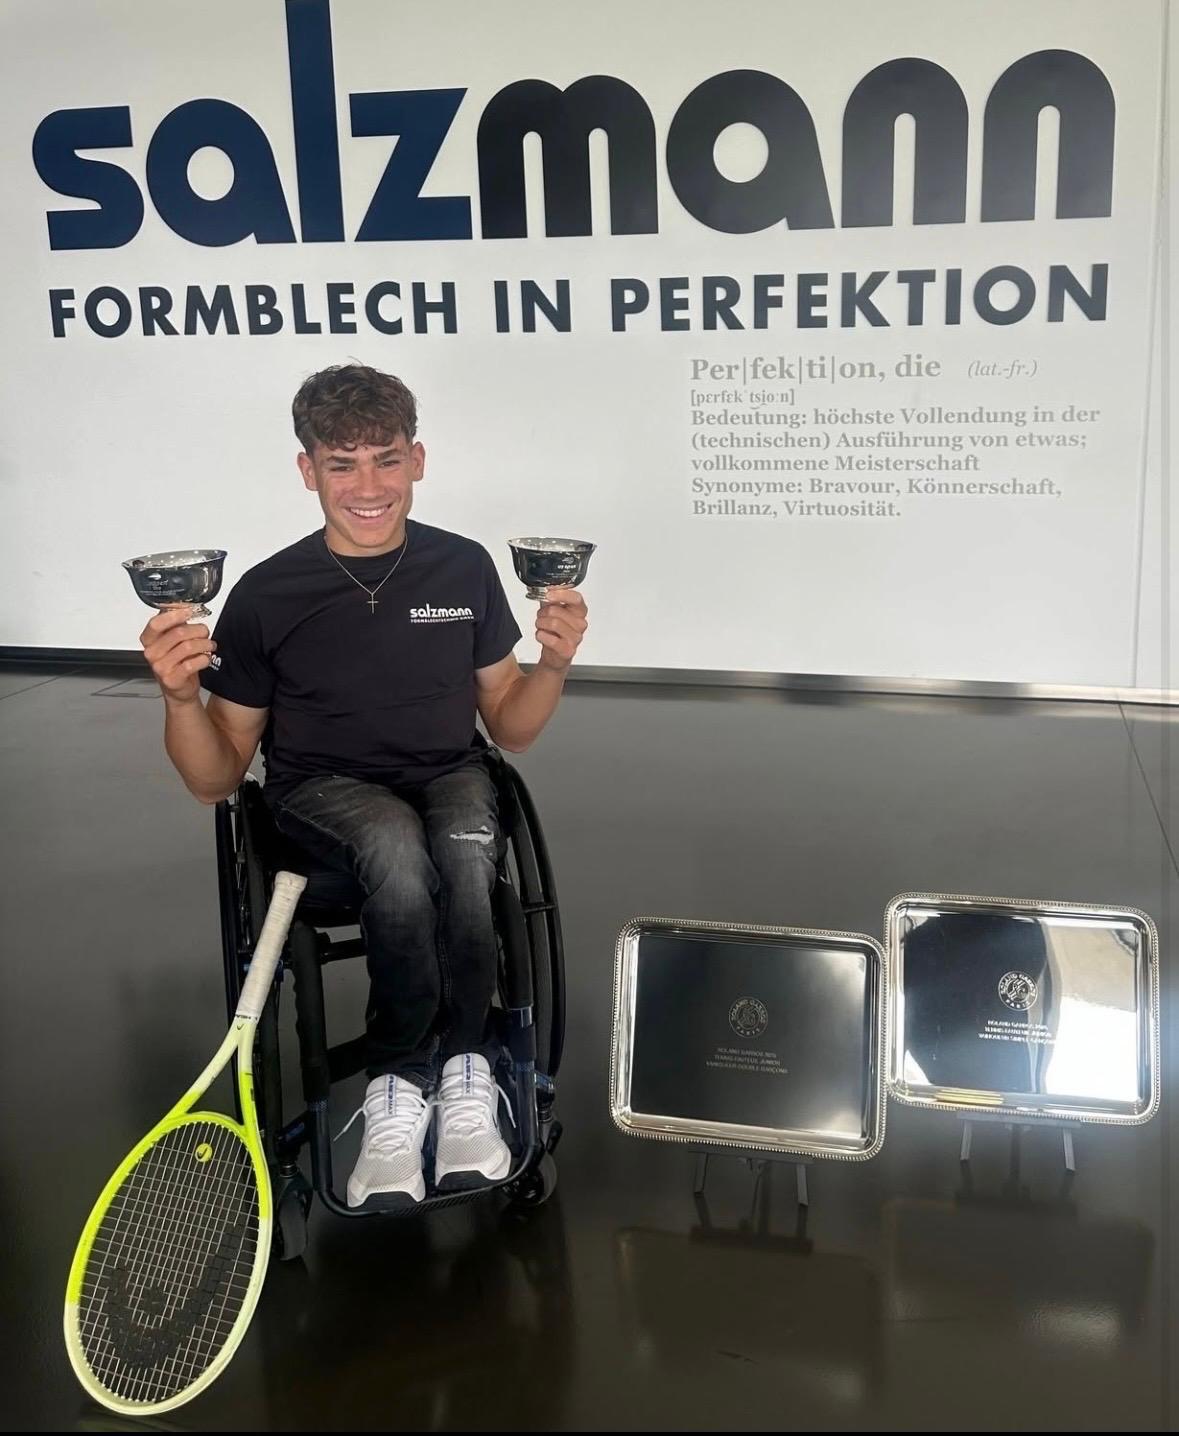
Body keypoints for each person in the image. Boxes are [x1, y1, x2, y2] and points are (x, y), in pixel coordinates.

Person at [138, 363, 588, 1208]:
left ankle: (463, 1076)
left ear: (418, 459)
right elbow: (215, 778)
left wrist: (553, 660)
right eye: (342, 465)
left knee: (459, 847)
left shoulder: (462, 569)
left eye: (385, 459)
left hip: (448, 775)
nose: (368, 486)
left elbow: (511, 726)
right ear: (307, 471)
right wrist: (176, 694)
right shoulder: (267, 595)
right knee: (393, 844)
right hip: (322, 794)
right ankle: (398, 1083)